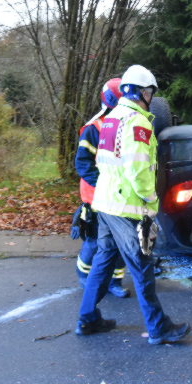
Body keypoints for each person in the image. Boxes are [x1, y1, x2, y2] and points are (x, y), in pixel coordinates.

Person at [75, 64, 190, 345]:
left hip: (105, 203)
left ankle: (87, 319)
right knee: (142, 267)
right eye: (150, 92)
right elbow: (139, 170)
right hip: (128, 208)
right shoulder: (138, 123)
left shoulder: (112, 117)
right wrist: (151, 201)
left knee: (103, 262)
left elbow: (103, 162)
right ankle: (158, 328)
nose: (151, 97)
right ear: (142, 92)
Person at [72, 77, 130, 298]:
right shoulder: (93, 129)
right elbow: (82, 163)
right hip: (96, 196)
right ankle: (85, 277)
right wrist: (105, 184)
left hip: (121, 196)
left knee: (120, 241)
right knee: (94, 241)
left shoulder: (127, 126)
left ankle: (114, 281)